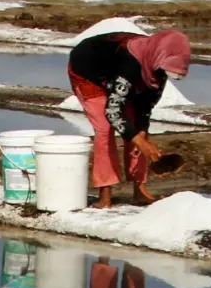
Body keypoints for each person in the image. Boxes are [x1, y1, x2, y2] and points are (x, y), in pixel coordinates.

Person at [66, 28, 190, 208]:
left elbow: (145, 107)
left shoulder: (156, 68)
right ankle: (105, 192)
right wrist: (139, 141)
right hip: (89, 73)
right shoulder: (131, 62)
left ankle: (140, 190)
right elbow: (113, 111)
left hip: (120, 75)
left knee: (136, 130)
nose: (164, 77)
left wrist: (140, 136)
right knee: (104, 127)